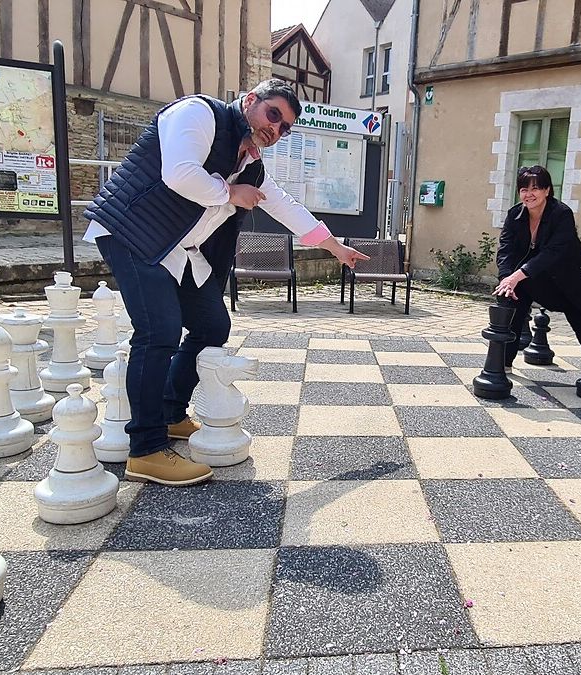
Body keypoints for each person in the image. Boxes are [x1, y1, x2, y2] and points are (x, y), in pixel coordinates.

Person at [83, 79, 368, 486]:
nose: (277, 129)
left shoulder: (251, 163)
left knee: (212, 325)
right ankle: (145, 450)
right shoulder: (198, 113)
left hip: (177, 248)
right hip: (131, 232)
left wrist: (335, 247)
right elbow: (180, 174)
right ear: (250, 101)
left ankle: (169, 411)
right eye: (274, 115)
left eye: (285, 127)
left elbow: (285, 206)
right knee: (158, 331)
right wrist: (229, 192)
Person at [493, 165, 581, 369]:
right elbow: (505, 250)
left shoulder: (561, 214)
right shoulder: (514, 215)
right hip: (534, 278)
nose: (529, 194)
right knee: (511, 299)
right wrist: (506, 279)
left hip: (568, 279)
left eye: (535, 188)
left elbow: (553, 252)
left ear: (547, 190)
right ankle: (501, 364)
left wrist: (516, 276)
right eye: (524, 189)